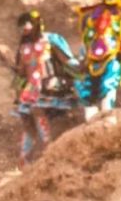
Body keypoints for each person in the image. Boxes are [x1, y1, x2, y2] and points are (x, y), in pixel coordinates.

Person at [10, 10, 79, 166]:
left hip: (49, 84)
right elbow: (21, 71)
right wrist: (16, 86)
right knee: (27, 121)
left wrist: (80, 72)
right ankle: (24, 157)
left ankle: (48, 146)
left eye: (28, 23)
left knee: (37, 110)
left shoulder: (49, 40)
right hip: (30, 87)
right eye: (23, 25)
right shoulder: (23, 46)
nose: (25, 27)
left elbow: (65, 59)